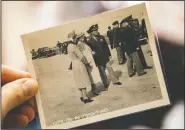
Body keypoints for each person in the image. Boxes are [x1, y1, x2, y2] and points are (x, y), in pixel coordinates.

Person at [86, 24, 122, 88]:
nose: (96, 31)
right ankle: (105, 83)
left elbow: (106, 46)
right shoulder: (89, 41)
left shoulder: (101, 37)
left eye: (96, 30)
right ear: (91, 33)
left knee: (110, 68)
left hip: (105, 56)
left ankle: (115, 81)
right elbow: (90, 51)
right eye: (94, 30)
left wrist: (109, 54)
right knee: (102, 71)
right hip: (98, 58)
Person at [67, 31, 93, 103]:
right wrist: (87, 63)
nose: (76, 39)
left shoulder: (68, 46)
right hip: (79, 64)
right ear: (72, 38)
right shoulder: (74, 46)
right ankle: (85, 97)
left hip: (74, 64)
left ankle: (81, 96)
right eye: (75, 37)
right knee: (83, 80)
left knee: (78, 80)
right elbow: (81, 57)